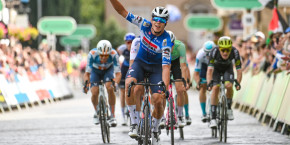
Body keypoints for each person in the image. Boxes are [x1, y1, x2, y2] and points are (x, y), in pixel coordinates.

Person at [109, 1, 173, 144]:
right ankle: (134, 122)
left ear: (165, 23)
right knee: (129, 85)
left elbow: (166, 67)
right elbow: (122, 11)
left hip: (156, 69)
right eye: (155, 19)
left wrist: (165, 86)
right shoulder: (143, 24)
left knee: (157, 99)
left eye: (161, 20)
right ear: (151, 19)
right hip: (140, 64)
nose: (158, 22)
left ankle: (155, 128)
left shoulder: (166, 41)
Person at [83, 40, 121, 127]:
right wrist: (86, 84)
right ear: (98, 53)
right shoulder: (92, 54)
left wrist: (115, 83)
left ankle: (112, 115)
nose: (104, 58)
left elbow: (118, 74)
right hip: (95, 72)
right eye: (101, 55)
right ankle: (97, 112)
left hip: (108, 70)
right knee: (94, 91)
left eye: (106, 56)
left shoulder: (114, 54)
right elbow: (87, 74)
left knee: (110, 87)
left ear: (109, 53)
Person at [207, 36, 242, 128]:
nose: (225, 53)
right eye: (223, 50)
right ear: (219, 49)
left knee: (229, 86)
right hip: (216, 70)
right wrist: (209, 82)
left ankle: (229, 108)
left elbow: (239, 70)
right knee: (215, 88)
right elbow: (209, 70)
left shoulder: (235, 52)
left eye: (227, 50)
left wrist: (238, 82)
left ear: (231, 49)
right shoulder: (214, 52)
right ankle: (213, 118)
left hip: (228, 69)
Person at [193, 41, 215, 123]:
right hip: (204, 67)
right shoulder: (200, 55)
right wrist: (198, 82)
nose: (209, 56)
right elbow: (196, 72)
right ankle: (204, 113)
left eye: (211, 54)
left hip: (214, 66)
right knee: (203, 87)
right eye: (207, 54)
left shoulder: (217, 53)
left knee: (216, 85)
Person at [117, 33, 136, 126]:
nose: (130, 44)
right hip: (124, 69)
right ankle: (123, 116)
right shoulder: (122, 49)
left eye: (132, 42)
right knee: (123, 92)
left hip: (134, 69)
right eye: (128, 42)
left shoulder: (137, 48)